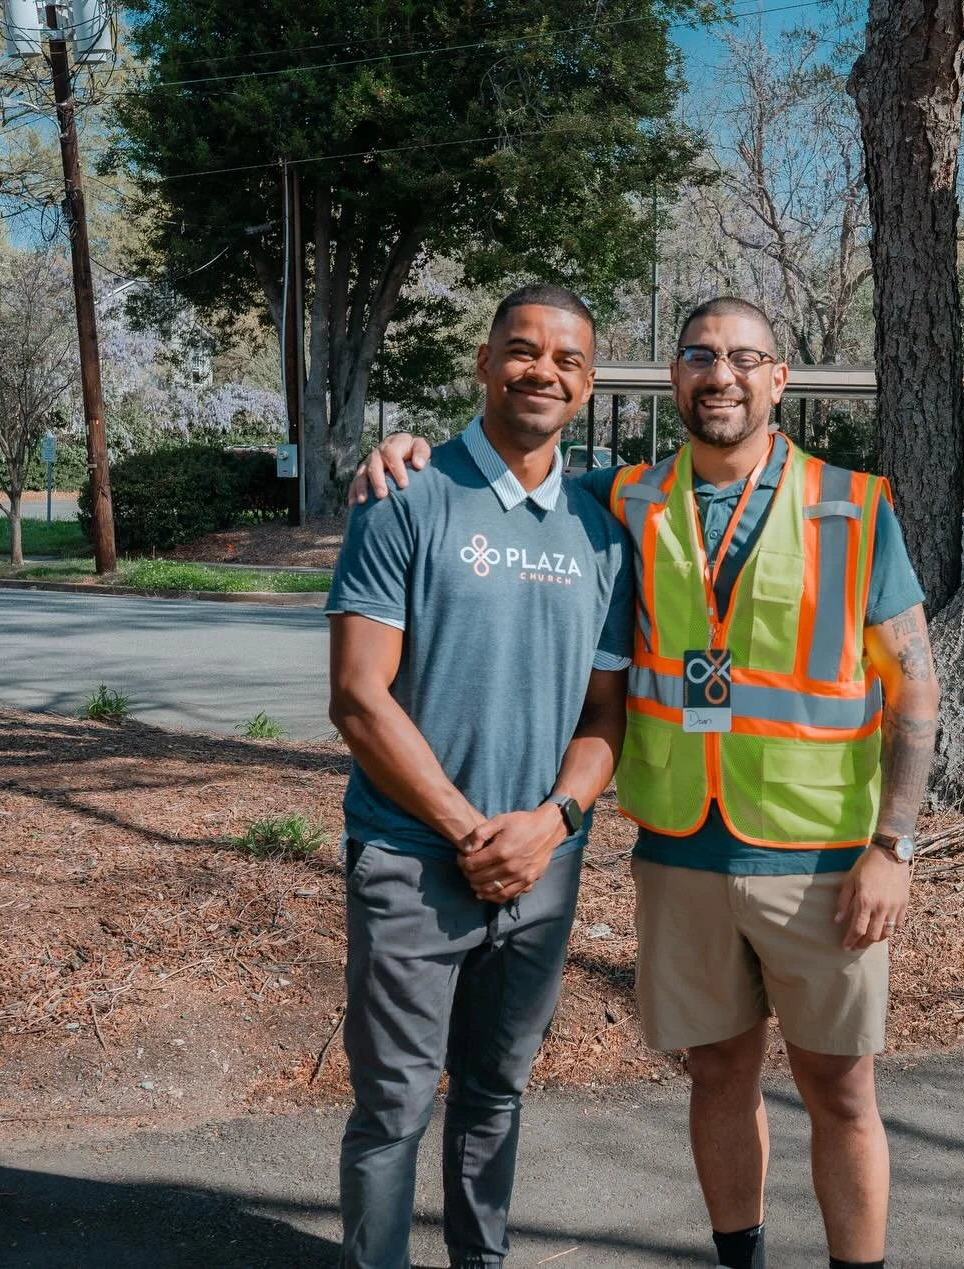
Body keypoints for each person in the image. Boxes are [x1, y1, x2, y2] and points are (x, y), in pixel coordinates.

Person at [354, 296, 941, 1269]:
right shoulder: (623, 499)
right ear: (673, 376)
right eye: (700, 356)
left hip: (826, 863)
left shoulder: (852, 505)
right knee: (718, 1075)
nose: (722, 376)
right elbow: (511, 459)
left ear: (779, 378)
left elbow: (915, 693)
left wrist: (895, 847)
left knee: (842, 1092)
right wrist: (405, 453)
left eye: (746, 358)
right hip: (683, 857)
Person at [327, 283, 633, 1269]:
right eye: (523, 349)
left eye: (568, 360)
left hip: (542, 871)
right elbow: (358, 698)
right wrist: (470, 831)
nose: (543, 370)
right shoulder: (405, 496)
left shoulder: (601, 532)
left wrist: (547, 824)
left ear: (586, 387)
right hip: (414, 862)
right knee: (393, 1110)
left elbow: (603, 721)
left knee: (497, 1094)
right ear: (484, 359)